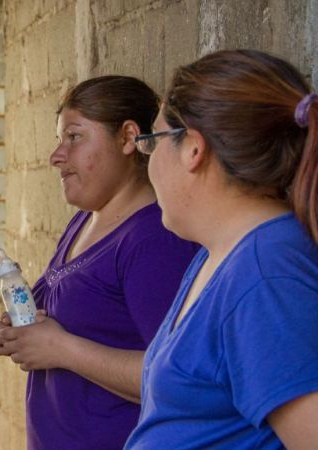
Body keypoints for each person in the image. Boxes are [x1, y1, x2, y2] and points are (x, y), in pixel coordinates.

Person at [0, 76, 200, 450]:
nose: (56, 155)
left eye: (74, 136)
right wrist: (24, 331)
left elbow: (178, 378)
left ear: (128, 138)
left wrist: (61, 349)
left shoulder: (153, 240)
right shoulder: (86, 220)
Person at [124, 49, 318, 449]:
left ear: (193, 149)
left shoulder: (267, 274)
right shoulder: (222, 252)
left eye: (153, 142)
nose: (150, 162)